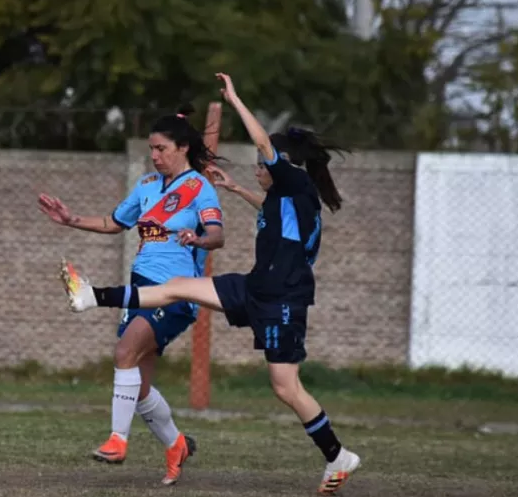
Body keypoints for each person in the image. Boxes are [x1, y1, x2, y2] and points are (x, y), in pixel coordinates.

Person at [58, 73, 360, 495]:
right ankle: (92, 296)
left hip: (282, 300)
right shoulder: (289, 199)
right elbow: (273, 212)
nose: (258, 170)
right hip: (255, 288)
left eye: (262, 166)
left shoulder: (293, 183)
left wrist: (235, 99)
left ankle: (338, 457)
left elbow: (264, 146)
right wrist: (236, 188)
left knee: (285, 387)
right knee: (180, 284)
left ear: (284, 166)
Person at [38, 104, 225, 486]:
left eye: (161, 149)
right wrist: (71, 220)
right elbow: (114, 223)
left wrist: (199, 238)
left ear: (183, 147)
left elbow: (218, 235)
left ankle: (117, 441)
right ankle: (176, 446)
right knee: (137, 386)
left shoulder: (199, 188)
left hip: (176, 294)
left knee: (124, 353)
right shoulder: (145, 187)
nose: (154, 156)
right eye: (151, 150)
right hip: (140, 289)